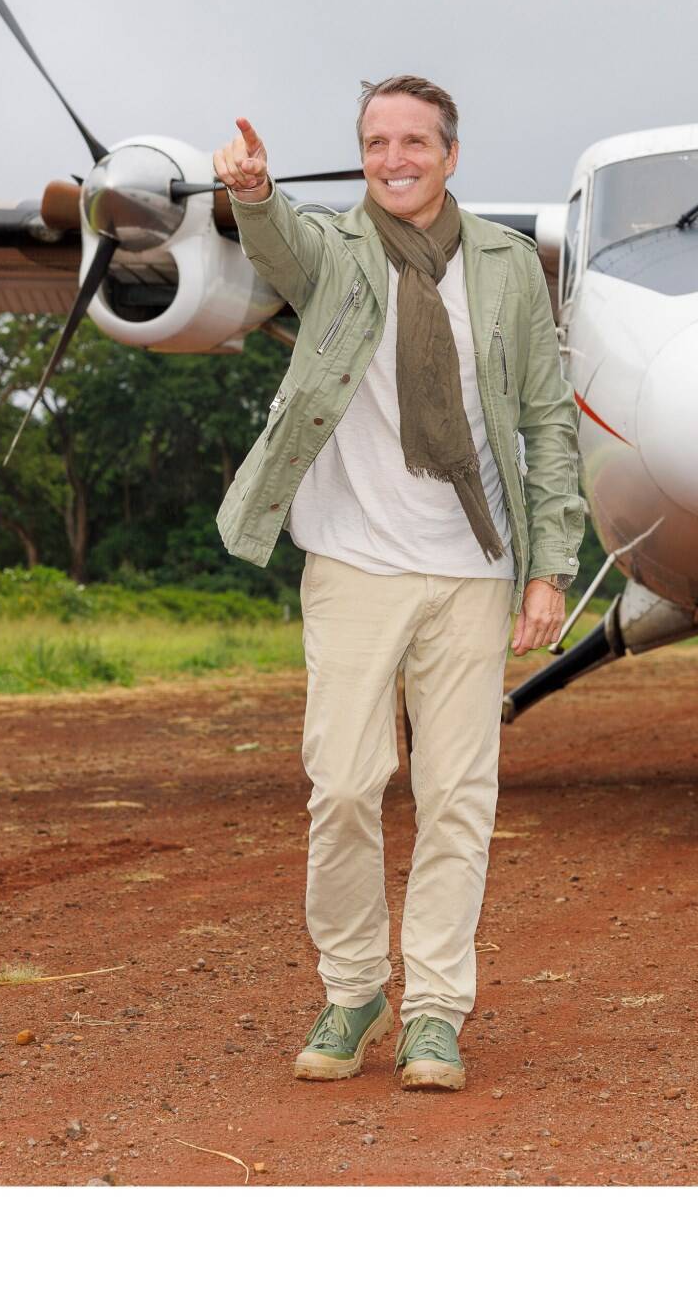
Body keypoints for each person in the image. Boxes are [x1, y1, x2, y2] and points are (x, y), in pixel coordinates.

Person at [213, 76, 582, 1091]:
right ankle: (350, 992)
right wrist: (251, 191)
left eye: (413, 140)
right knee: (340, 786)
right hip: (353, 560)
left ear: (449, 154)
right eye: (375, 141)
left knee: (456, 794)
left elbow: (546, 419)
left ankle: (431, 1011)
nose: (393, 158)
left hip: (471, 564)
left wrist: (549, 564)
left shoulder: (509, 266)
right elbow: (278, 244)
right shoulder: (334, 249)